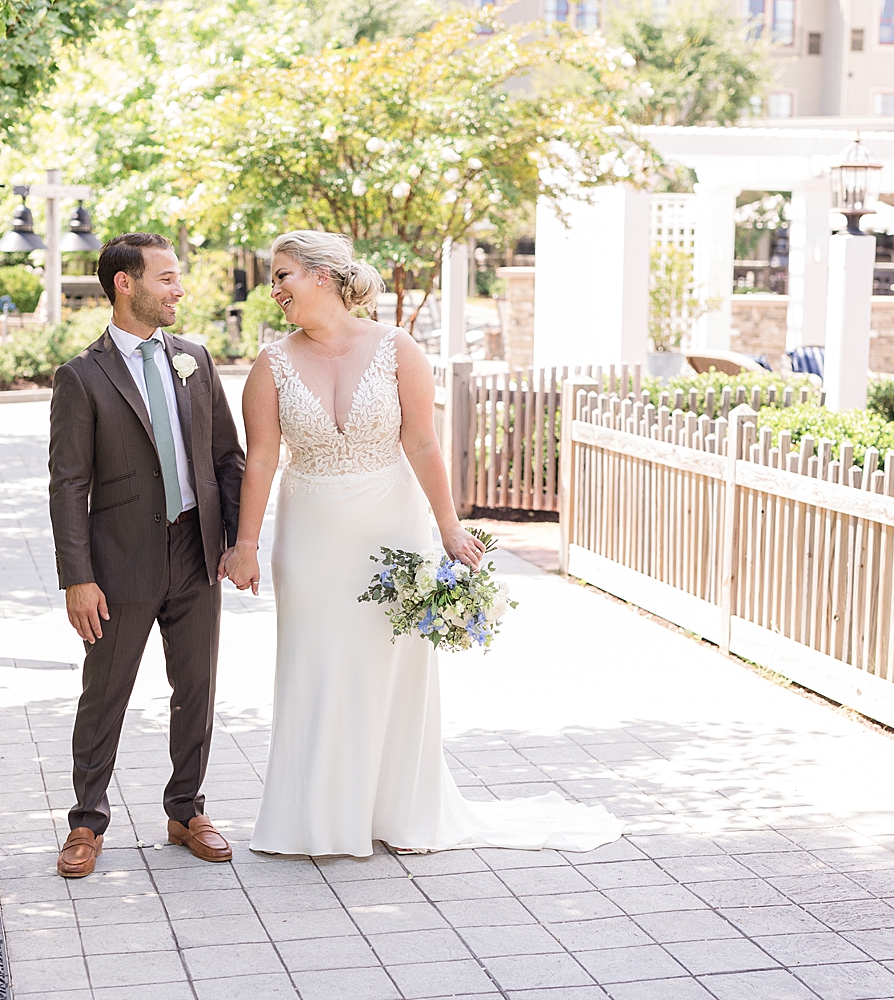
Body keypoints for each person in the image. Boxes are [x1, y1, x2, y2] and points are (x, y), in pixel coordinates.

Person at [224, 230, 622, 857]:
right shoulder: (269, 365)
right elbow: (263, 459)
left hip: (392, 530)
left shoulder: (396, 348)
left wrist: (449, 528)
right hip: (311, 536)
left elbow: (423, 444)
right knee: (316, 668)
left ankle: (397, 813)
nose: (273, 289)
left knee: (392, 670)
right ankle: (318, 819)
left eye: (283, 276)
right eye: (273, 278)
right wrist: (245, 543)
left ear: (323, 277)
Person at [48, 232, 245, 877]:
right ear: (124, 284)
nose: (178, 289)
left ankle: (187, 808)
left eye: (178, 278)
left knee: (196, 687)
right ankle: (86, 821)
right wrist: (78, 578)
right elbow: (68, 484)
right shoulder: (81, 377)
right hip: (119, 561)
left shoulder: (195, 360)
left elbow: (226, 457)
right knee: (105, 693)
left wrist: (238, 542)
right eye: (166, 278)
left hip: (195, 553)